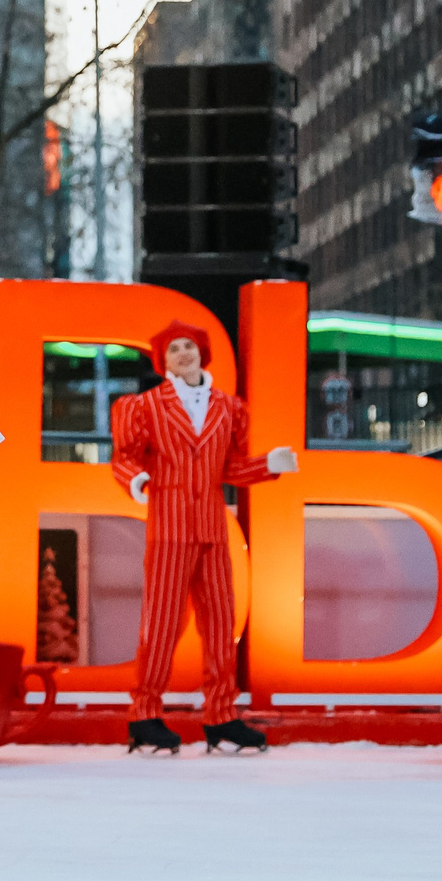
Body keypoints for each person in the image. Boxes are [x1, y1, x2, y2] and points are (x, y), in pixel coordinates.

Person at [106, 321, 297, 757]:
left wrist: (269, 464)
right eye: (173, 348)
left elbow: (228, 469)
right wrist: (137, 480)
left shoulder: (228, 408)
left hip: (212, 528)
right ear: (163, 360)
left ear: (201, 352)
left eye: (188, 346)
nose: (182, 353)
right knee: (162, 624)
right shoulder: (145, 406)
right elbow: (125, 457)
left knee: (220, 625)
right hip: (170, 529)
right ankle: (145, 713)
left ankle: (221, 714)